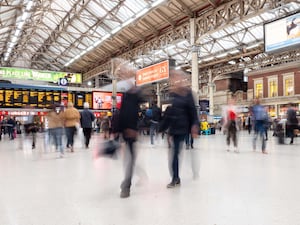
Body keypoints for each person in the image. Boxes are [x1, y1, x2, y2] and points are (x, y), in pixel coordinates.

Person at [159, 69, 199, 188]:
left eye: (176, 78)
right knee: (174, 154)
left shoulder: (188, 93)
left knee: (175, 153)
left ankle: (175, 178)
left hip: (183, 127)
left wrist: (195, 125)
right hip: (174, 128)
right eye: (173, 78)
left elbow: (193, 111)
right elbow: (170, 113)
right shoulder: (174, 94)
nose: (174, 81)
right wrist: (163, 128)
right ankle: (175, 178)